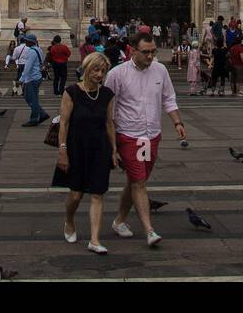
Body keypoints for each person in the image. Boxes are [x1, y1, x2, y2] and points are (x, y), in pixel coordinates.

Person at [107, 30, 186, 247]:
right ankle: (150, 231)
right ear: (132, 50)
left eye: (153, 52)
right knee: (139, 182)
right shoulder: (117, 74)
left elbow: (169, 99)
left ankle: (120, 220)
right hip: (129, 135)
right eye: (146, 53)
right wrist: (111, 143)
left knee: (136, 180)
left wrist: (177, 123)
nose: (150, 57)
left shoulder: (160, 71)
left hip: (152, 136)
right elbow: (108, 109)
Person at [53, 52, 118, 254]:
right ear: (87, 68)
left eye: (103, 71)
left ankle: (95, 239)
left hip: (100, 148)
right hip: (76, 147)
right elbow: (63, 123)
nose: (100, 74)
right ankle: (69, 221)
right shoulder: (71, 92)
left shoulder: (106, 94)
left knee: (98, 193)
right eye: (96, 70)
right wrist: (62, 151)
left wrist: (114, 150)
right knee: (76, 194)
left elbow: (109, 123)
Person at [20, 34, 49, 127]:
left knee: (31, 99)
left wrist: (21, 79)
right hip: (37, 76)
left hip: (31, 78)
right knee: (32, 98)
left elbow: (27, 66)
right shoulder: (38, 49)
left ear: (31, 42)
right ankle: (42, 114)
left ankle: (34, 119)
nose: (25, 42)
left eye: (27, 41)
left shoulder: (32, 51)